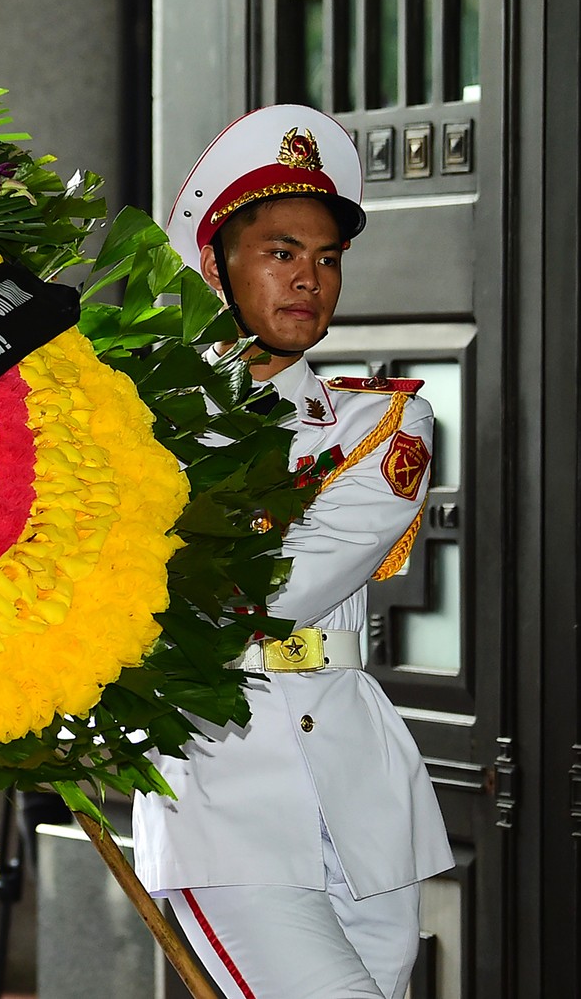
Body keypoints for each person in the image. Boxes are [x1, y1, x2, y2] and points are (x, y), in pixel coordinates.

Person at [133, 105, 453, 999]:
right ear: (214, 264)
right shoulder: (136, 426)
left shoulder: (383, 423)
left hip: (361, 802)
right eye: (280, 252)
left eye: (327, 258)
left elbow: (277, 583)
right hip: (223, 796)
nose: (310, 279)